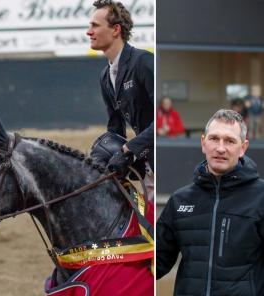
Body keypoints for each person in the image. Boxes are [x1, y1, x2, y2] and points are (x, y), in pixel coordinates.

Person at [157, 109, 264, 295]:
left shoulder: (260, 197)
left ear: (243, 148)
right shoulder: (179, 200)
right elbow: (155, 264)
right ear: (203, 143)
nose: (220, 148)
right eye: (214, 139)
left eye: (230, 141)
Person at [86, 0, 154, 201]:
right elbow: (115, 129)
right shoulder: (105, 76)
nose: (88, 32)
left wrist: (130, 149)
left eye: (95, 26)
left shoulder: (143, 62)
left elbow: (160, 122)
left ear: (116, 30)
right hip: (147, 168)